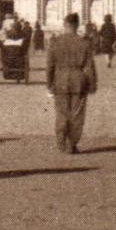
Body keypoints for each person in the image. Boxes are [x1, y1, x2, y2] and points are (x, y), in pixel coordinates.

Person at [46, 13, 98, 153]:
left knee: (61, 112)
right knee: (77, 113)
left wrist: (49, 84)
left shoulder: (56, 43)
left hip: (61, 79)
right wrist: (92, 84)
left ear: (65, 25)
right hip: (78, 79)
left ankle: (61, 141)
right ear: (77, 25)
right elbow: (89, 66)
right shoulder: (84, 43)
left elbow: (50, 65)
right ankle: (72, 144)